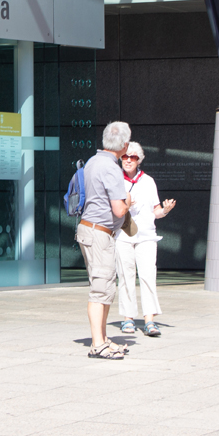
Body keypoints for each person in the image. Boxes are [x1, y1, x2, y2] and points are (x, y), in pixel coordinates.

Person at [76, 120, 133, 360]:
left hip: (92, 230)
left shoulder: (93, 161)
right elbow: (119, 210)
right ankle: (98, 344)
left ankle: (102, 338)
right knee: (101, 288)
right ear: (125, 145)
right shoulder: (111, 168)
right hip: (99, 233)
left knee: (105, 286)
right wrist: (129, 198)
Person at [114, 142, 176, 337]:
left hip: (146, 235)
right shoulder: (115, 180)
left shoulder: (148, 181)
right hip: (123, 235)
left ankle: (149, 320)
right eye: (125, 157)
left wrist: (165, 210)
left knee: (148, 276)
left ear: (139, 160)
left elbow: (155, 211)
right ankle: (128, 319)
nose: (129, 160)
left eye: (133, 157)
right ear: (121, 158)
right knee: (125, 276)